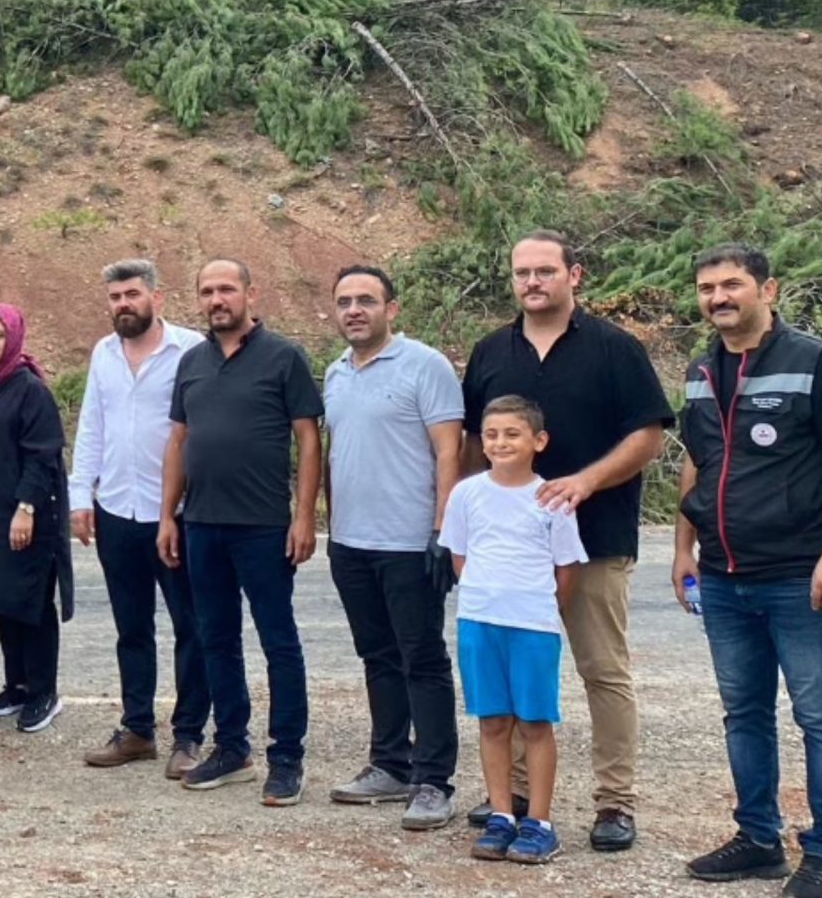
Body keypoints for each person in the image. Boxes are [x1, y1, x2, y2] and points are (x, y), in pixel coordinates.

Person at [674, 244, 822, 898]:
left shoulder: (813, 360)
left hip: (798, 576)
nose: (718, 296)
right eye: (707, 287)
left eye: (732, 284)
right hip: (723, 577)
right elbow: (697, 461)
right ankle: (757, 838)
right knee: (745, 714)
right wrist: (684, 548)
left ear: (768, 289)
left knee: (819, 714)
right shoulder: (701, 369)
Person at [461, 230, 672, 851]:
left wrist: (585, 480)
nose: (533, 282)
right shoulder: (491, 351)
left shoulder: (614, 349)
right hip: (506, 553)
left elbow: (648, 438)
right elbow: (477, 443)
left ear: (573, 275)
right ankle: (517, 796)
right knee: (512, 674)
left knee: (602, 671)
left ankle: (614, 802)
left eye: (545, 271)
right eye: (522, 272)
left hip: (595, 539)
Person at [158, 258, 322, 805]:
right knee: (215, 638)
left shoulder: (285, 358)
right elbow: (178, 441)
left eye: (227, 288)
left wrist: (304, 516)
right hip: (201, 525)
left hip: (264, 527)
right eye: (207, 291)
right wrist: (167, 515)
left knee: (279, 641)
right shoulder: (192, 363)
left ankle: (287, 758)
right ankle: (232, 749)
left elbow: (308, 440)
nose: (216, 298)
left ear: (252, 293)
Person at [320, 264, 465, 830]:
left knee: (421, 658)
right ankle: (389, 763)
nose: (354, 310)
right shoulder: (334, 373)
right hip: (351, 541)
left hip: (409, 542)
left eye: (366, 300)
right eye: (344, 301)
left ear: (391, 309)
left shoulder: (424, 365)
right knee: (376, 656)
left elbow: (449, 452)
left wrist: (442, 530)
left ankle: (433, 779)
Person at [70, 258, 206, 776]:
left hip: (174, 512)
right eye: (114, 297)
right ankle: (137, 729)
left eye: (132, 294)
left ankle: (189, 736)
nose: (123, 304)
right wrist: (82, 494)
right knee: (131, 627)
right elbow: (91, 426)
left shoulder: (190, 349)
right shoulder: (104, 353)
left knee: (190, 625)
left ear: (156, 297)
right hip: (116, 509)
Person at [444, 395, 588, 867]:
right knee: (492, 720)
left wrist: (537, 606)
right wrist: (486, 596)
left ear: (538, 441)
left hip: (532, 625)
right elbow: (460, 555)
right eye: (491, 434)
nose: (500, 442)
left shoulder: (553, 499)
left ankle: (539, 823)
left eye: (512, 433)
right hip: (480, 621)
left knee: (533, 722)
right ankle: (502, 813)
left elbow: (566, 569)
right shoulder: (466, 493)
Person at [0, 305, 73, 734]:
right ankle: (18, 684)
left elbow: (43, 454)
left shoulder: (29, 390)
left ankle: (44, 691)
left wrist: (26, 508)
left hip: (26, 518)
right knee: (5, 600)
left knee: (32, 603)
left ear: (14, 339)